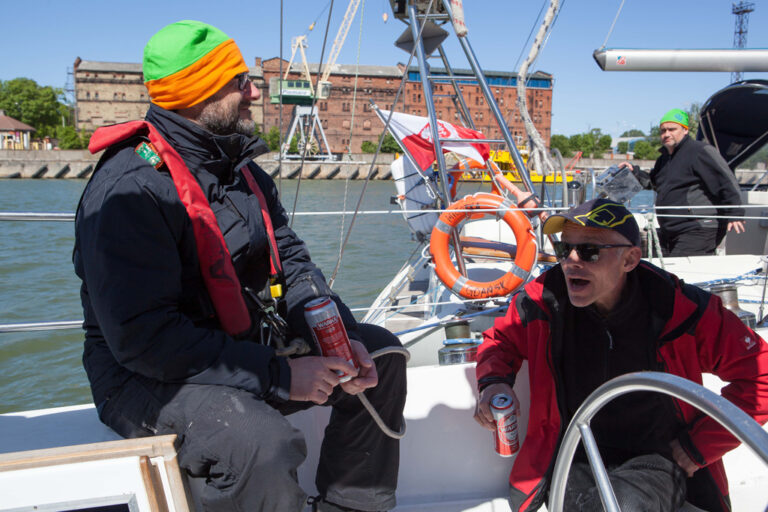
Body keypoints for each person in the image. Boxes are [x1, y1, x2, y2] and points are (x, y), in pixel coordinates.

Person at [73, 20, 406, 512]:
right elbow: (144, 339)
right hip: (142, 376)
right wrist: (279, 376)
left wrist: (339, 334)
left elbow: (291, 262)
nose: (254, 92)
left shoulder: (239, 170)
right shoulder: (129, 190)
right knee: (257, 441)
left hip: (240, 348)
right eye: (239, 82)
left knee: (381, 355)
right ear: (197, 92)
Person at [473, 198, 768, 512]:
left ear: (630, 259)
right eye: (564, 249)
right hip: (577, 451)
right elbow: (499, 341)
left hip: (658, 455)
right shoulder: (542, 301)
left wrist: (698, 446)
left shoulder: (681, 309)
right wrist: (493, 383)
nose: (571, 261)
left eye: (589, 251)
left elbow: (761, 376)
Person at [619, 108, 745, 256]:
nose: (666, 134)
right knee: (653, 264)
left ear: (685, 130)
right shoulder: (664, 158)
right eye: (663, 130)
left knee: (680, 268)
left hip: (698, 227)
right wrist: (634, 172)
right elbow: (654, 182)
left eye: (672, 129)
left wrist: (735, 212)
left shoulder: (700, 151)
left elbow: (725, 181)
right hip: (671, 229)